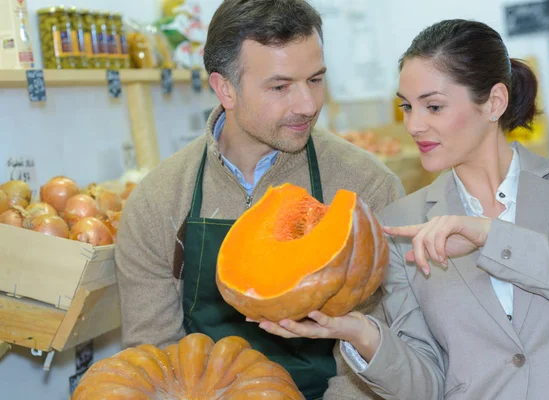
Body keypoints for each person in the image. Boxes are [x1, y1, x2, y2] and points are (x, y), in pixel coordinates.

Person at [258, 18, 549, 399]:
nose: (414, 125)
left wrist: (491, 236)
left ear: (494, 102)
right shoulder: (400, 225)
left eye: (433, 106)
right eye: (406, 107)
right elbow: (426, 387)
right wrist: (361, 333)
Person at [114, 1, 404, 399]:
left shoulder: (368, 186)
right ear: (225, 89)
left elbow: (383, 349)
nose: (307, 104)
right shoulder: (157, 201)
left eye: (316, 79)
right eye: (280, 86)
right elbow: (156, 357)